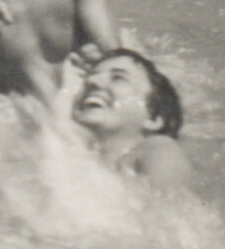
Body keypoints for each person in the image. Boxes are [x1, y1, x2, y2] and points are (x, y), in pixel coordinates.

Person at [69, 49, 191, 187]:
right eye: (89, 77)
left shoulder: (158, 148)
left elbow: (171, 205)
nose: (91, 81)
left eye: (118, 77)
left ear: (153, 117)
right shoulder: (66, 153)